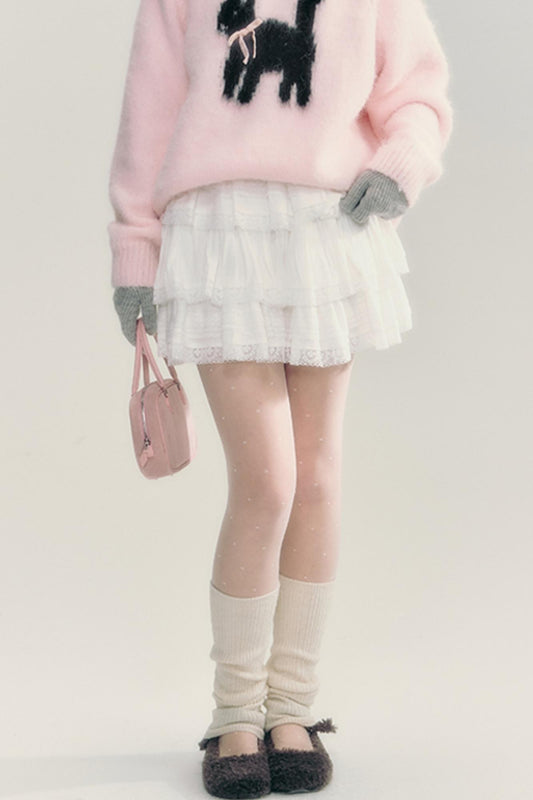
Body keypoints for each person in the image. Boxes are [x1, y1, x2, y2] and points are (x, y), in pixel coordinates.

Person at [107, 0, 453, 796]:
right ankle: (235, 711)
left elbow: (416, 91)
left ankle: (290, 707)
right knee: (266, 482)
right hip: (217, 230)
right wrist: (135, 251)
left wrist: (400, 162)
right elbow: (148, 115)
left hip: (325, 227)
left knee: (317, 477)